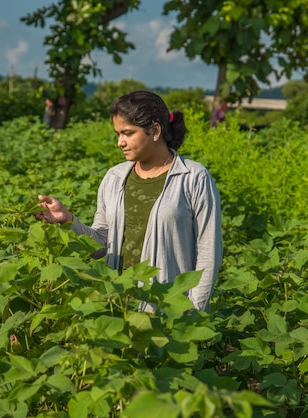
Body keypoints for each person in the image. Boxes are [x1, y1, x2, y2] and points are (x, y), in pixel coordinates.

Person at [34, 90, 223, 312]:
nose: (120, 142)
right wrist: (68, 220)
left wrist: (194, 312)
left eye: (127, 133)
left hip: (171, 311)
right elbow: (101, 246)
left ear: (154, 131)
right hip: (120, 308)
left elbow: (209, 253)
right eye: (118, 134)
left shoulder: (193, 178)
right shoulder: (114, 178)